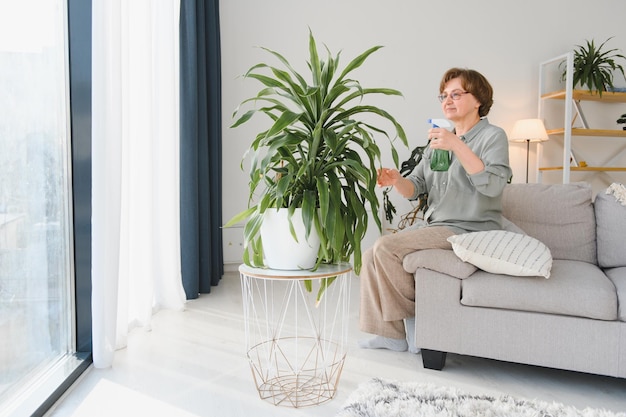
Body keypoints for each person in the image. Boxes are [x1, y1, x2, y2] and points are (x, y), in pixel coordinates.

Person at [358, 67, 512, 353]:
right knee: (370, 255)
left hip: (471, 228)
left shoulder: (492, 137)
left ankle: (416, 320)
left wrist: (455, 144)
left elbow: (491, 185)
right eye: (443, 95)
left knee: (385, 247)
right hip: (437, 226)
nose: (447, 100)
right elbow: (416, 186)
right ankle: (389, 334)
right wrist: (396, 180)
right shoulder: (438, 142)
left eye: (456, 94)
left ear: (478, 99)